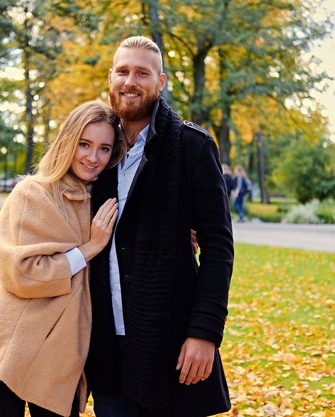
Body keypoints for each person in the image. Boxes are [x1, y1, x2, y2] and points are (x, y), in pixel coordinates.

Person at [85, 36, 234, 417]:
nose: (130, 81)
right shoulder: (93, 153)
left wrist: (205, 332)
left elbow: (218, 248)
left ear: (161, 81)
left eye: (142, 72)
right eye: (122, 71)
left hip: (172, 344)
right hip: (106, 348)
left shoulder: (192, 148)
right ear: (110, 78)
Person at [0, 100, 124, 417]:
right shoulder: (33, 194)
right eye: (85, 144)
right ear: (68, 141)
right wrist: (90, 248)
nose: (93, 157)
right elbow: (22, 273)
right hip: (8, 350)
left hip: (60, 359)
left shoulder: (103, 201)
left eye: (104, 148)